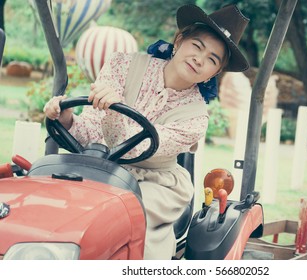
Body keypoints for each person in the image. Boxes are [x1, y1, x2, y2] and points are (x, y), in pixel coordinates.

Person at [44, 4, 250, 259]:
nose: (200, 59)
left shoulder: (195, 118)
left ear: (215, 72)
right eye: (197, 46)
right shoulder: (123, 64)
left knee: (125, 217)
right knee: (51, 203)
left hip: (154, 182)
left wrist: (113, 110)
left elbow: (138, 149)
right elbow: (92, 134)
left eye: (212, 59)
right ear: (179, 40)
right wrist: (66, 119)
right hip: (97, 165)